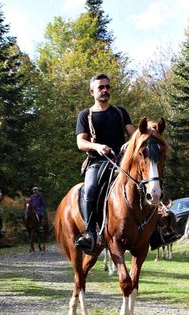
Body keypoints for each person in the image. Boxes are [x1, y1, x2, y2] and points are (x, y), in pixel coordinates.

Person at [74, 73, 135, 254]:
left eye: (107, 87)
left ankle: (157, 230)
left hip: (122, 161)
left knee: (146, 182)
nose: (105, 90)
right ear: (92, 91)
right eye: (101, 88)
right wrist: (97, 146)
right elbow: (80, 143)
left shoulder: (120, 112)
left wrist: (130, 143)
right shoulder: (85, 115)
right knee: (90, 189)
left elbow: (134, 134)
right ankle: (90, 233)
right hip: (97, 161)